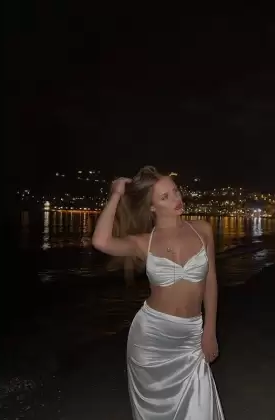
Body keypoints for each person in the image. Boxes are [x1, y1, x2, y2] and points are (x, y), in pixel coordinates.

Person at [92, 166, 225, 419]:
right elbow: (101, 241)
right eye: (165, 197)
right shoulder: (144, 242)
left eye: (175, 191)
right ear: (152, 207)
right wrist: (116, 194)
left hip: (191, 335)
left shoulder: (202, 230)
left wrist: (209, 331)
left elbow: (210, 281)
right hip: (152, 338)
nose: (176, 199)